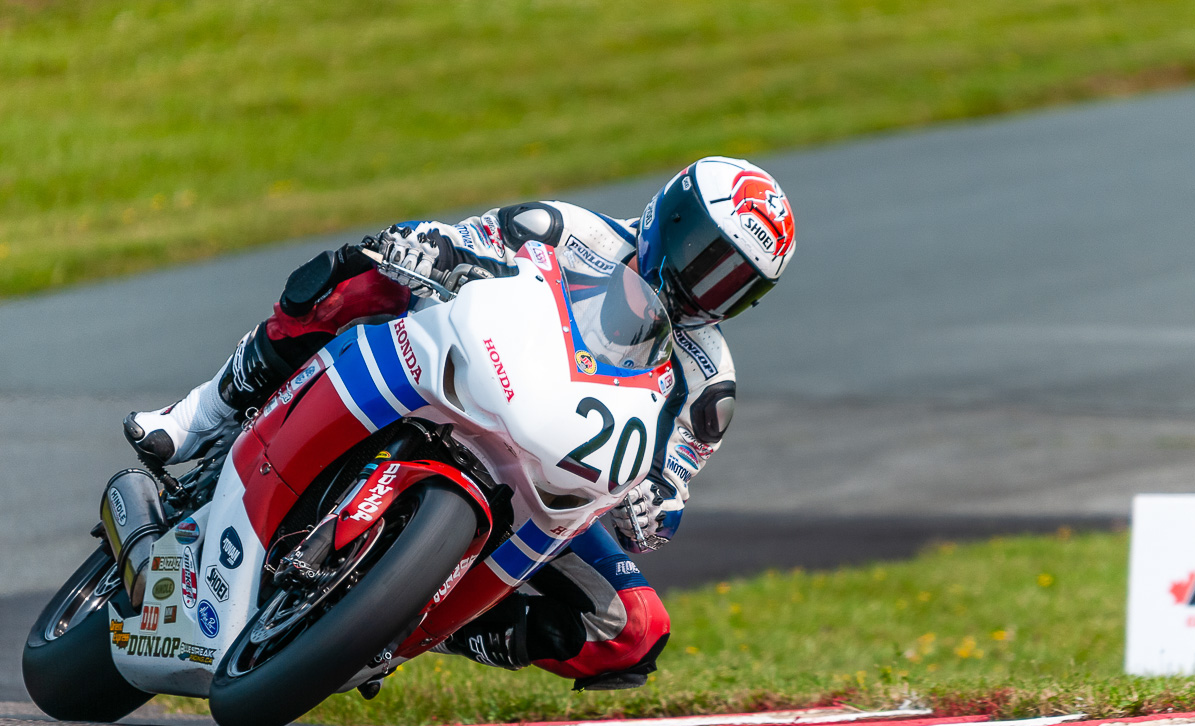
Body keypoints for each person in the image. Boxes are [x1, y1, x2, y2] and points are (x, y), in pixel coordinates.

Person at [125, 157, 796, 691]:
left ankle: (430, 620)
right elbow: (461, 240)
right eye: (705, 254)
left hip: (551, 484)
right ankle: (200, 414)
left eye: (733, 283)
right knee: (358, 276)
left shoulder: (709, 383)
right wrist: (430, 251)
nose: (705, 285)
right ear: (671, 217)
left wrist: (656, 504)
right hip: (469, 379)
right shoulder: (569, 230)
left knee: (635, 630)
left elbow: (674, 480)